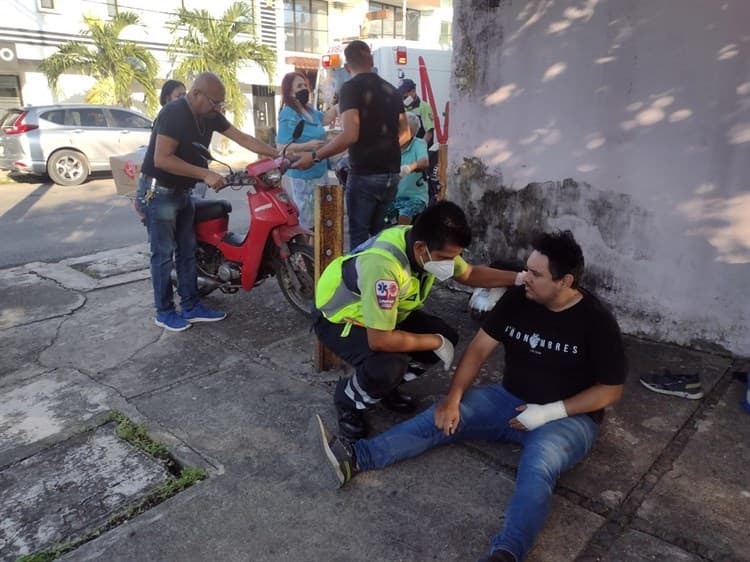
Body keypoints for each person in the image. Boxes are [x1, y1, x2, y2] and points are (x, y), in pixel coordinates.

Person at [316, 229, 627, 562]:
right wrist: (453, 399)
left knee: (537, 469)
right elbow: (479, 348)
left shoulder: (596, 320)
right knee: (442, 416)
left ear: (565, 282)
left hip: (566, 417)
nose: (525, 278)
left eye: (536, 274)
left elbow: (610, 391)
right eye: (527, 269)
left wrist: (548, 412)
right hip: (508, 398)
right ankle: (359, 457)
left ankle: (506, 554)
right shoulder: (521, 297)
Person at [313, 201, 523, 440]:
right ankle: (348, 400)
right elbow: (380, 340)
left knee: (448, 338)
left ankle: (381, 389)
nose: (449, 264)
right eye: (445, 258)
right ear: (421, 247)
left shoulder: (426, 244)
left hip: (387, 314)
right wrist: (434, 341)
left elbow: (470, 274)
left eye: (454, 257)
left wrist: (519, 278)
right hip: (341, 319)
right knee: (389, 366)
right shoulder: (384, 267)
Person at [138, 72, 279, 332]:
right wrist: (205, 173)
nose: (218, 108)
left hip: (182, 192)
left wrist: (277, 153)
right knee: (162, 256)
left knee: (186, 251)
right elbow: (162, 159)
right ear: (196, 94)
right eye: (214, 102)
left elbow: (241, 137)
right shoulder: (174, 113)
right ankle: (165, 311)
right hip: (160, 193)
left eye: (220, 104)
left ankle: (191, 305)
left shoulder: (209, 114)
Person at [292, 40, 410, 248]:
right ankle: (379, 278)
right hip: (391, 175)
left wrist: (314, 156)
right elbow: (406, 133)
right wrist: (386, 150)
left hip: (364, 175)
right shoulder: (392, 90)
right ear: (371, 60)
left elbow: (349, 136)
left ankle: (360, 280)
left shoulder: (350, 88)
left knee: (359, 240)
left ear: (347, 67)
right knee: (380, 240)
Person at [276, 72, 338, 230]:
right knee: (306, 222)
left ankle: (315, 252)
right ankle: (306, 253)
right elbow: (281, 147)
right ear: (290, 92)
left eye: (305, 85)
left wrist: (338, 104)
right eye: (299, 86)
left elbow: (325, 118)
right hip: (302, 177)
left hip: (320, 172)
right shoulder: (288, 114)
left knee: (320, 220)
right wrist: (307, 145)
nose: (304, 89)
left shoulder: (310, 111)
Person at [387, 113, 430, 225]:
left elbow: (424, 161)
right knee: (379, 218)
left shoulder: (419, 144)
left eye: (398, 128)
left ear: (409, 131)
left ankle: (404, 241)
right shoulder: (392, 145)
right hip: (393, 197)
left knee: (404, 216)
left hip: (414, 197)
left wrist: (407, 169)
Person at [398, 77, 434, 147]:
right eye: (401, 93)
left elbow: (429, 132)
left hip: (421, 149)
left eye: (405, 93)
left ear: (413, 91)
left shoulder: (424, 107)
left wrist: (419, 148)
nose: (403, 96)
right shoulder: (401, 107)